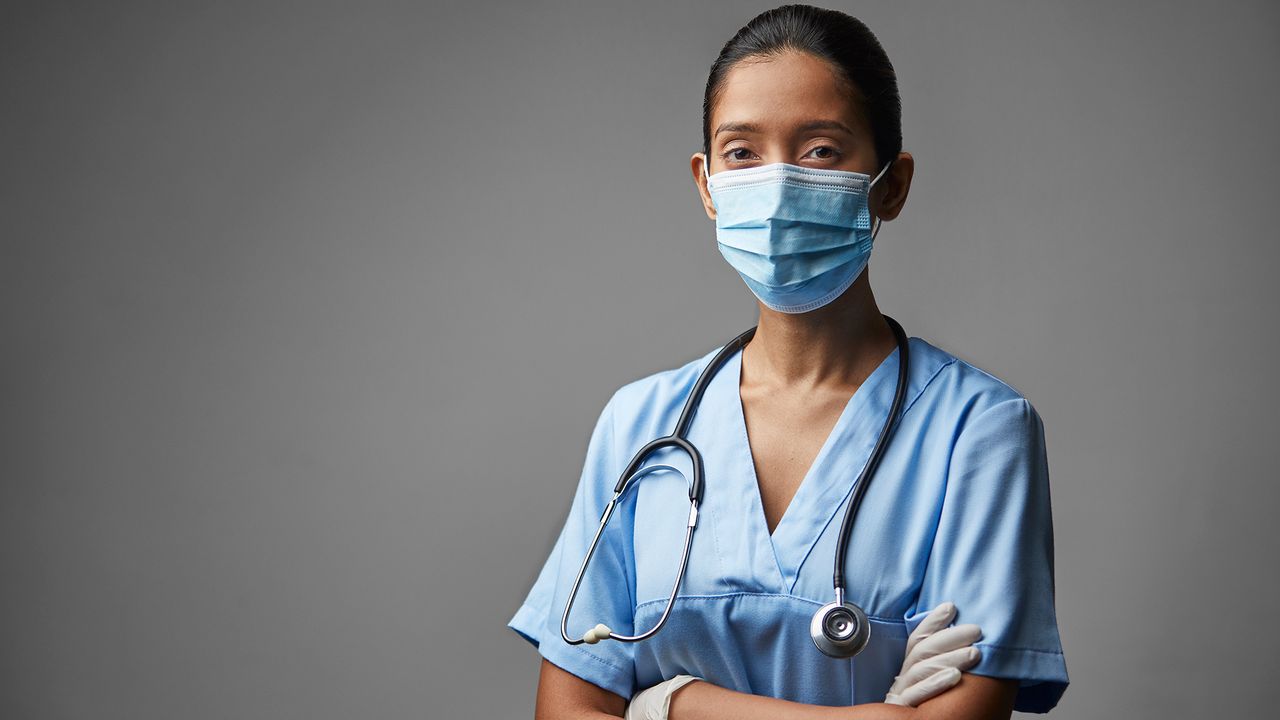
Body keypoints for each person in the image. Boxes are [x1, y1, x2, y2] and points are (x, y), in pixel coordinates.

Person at [508, 5, 1068, 718]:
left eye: (821, 151)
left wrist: (670, 704)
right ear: (707, 185)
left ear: (891, 185)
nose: (775, 190)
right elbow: (564, 711)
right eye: (742, 152)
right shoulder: (640, 426)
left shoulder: (980, 431)